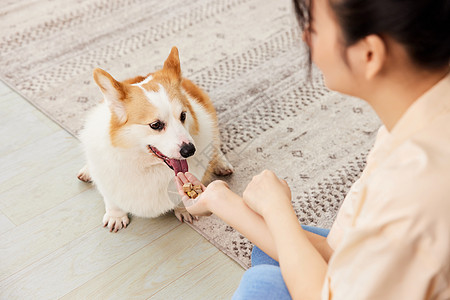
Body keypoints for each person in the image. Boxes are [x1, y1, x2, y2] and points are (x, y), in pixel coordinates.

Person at [175, 0, 450, 298]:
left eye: (315, 27)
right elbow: (335, 251)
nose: (304, 37)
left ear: (369, 54)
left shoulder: (416, 188)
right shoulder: (413, 124)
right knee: (270, 253)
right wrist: (218, 199)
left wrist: (278, 209)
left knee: (261, 285)